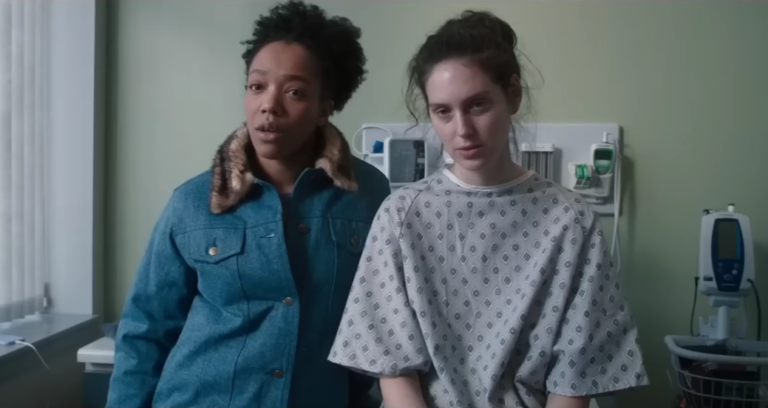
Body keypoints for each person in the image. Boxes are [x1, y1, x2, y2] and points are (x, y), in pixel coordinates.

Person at [328, 10, 648, 408]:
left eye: (477, 105)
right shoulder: (402, 217)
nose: (462, 129)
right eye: (443, 111)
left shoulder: (570, 221)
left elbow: (576, 375)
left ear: (512, 95)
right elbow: (392, 366)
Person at [107, 2, 390, 407]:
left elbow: (380, 323)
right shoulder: (192, 202)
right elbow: (145, 330)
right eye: (257, 87)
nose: (269, 105)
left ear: (325, 108)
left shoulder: (368, 195)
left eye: (294, 92)